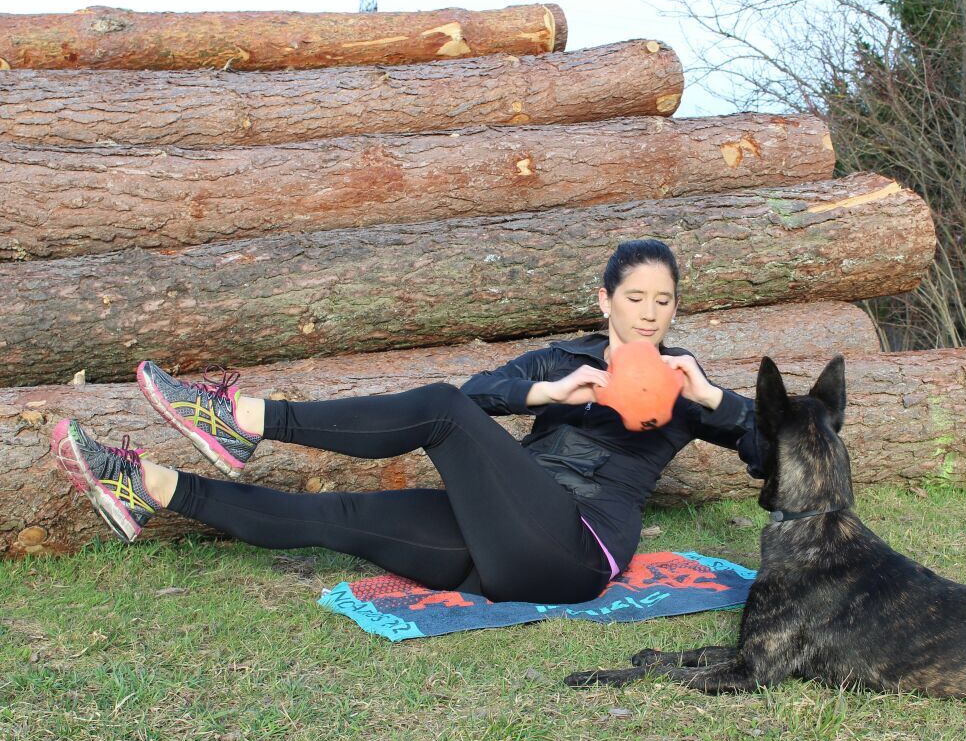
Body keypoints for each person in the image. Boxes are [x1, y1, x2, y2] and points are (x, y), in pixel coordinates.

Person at [50, 240, 767, 605]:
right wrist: (546, 393)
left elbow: (779, 448)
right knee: (340, 516)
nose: (649, 313)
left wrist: (714, 400)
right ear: (605, 300)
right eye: (635, 297)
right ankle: (151, 486)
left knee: (439, 409)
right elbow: (480, 394)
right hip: (501, 543)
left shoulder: (685, 383)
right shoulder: (562, 359)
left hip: (577, 552)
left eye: (663, 301)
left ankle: (241, 419)